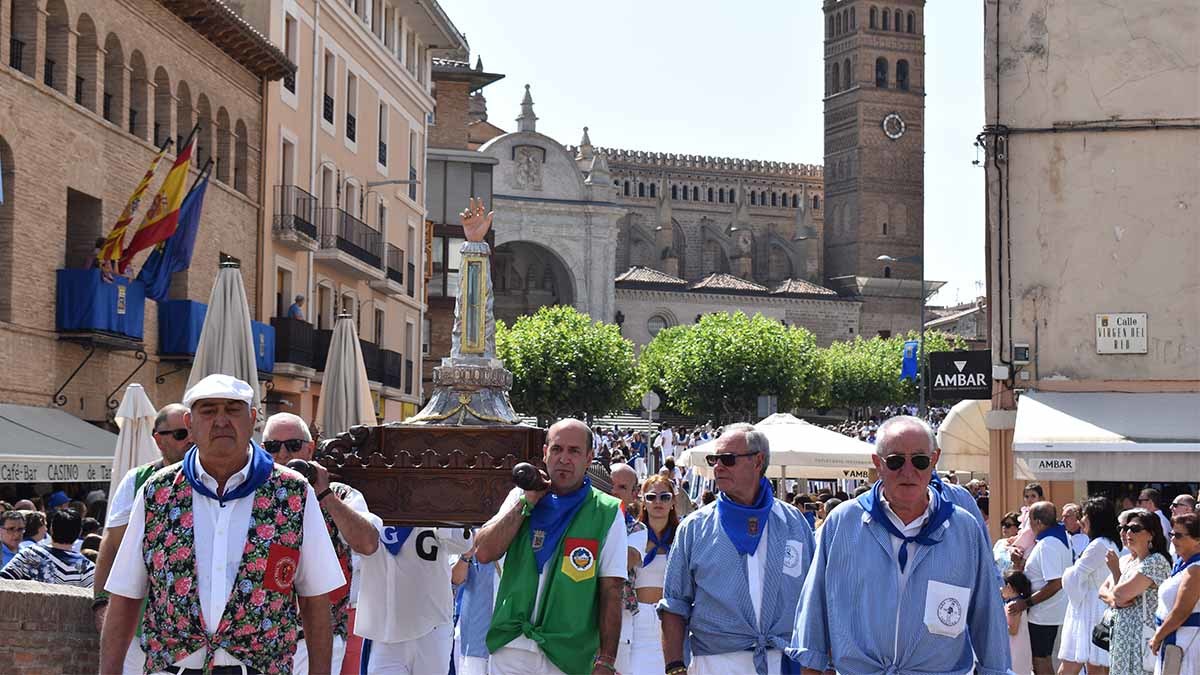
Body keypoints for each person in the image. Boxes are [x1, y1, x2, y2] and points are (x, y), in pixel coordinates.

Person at [99, 374, 345, 675]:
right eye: (209, 410)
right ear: (190, 423)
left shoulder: (293, 493)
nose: (221, 420)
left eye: (232, 409)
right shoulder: (157, 492)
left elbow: (315, 601)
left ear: (252, 418)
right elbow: (126, 596)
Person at [791, 415, 1010, 675]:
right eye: (895, 461)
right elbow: (814, 610)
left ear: (934, 460)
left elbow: (988, 616)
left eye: (919, 460)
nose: (908, 471)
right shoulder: (843, 522)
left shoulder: (965, 530)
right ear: (878, 464)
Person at [473, 418, 626, 675]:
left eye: (574, 451)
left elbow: (612, 590)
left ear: (589, 459)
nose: (564, 458)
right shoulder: (520, 497)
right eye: (557, 449)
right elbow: (484, 552)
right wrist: (527, 501)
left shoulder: (608, 511)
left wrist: (607, 660)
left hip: (569, 655)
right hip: (512, 645)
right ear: (545, 454)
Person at [660, 423, 815, 675]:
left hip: (784, 662)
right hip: (716, 662)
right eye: (714, 459)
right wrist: (675, 668)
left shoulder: (794, 523)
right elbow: (674, 604)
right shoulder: (694, 527)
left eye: (728, 459)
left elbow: (814, 599)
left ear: (757, 461)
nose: (718, 467)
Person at [263, 412, 381, 675]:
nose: (282, 454)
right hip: (262, 638)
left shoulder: (339, 494)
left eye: (293, 445)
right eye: (273, 447)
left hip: (316, 636)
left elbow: (368, 544)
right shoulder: (253, 493)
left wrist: (324, 493)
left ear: (310, 448)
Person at [93, 402, 194, 658]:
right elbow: (113, 545)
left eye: (193, 431)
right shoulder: (138, 481)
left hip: (197, 628)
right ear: (159, 441)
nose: (190, 439)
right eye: (181, 434)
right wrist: (100, 602)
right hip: (140, 622)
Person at [1100, 509, 1172, 675]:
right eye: (1125, 529)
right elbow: (1103, 590)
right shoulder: (1133, 560)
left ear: (1151, 535)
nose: (1127, 532)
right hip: (1124, 640)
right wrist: (1114, 600)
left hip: (1141, 642)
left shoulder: (1156, 561)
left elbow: (1120, 594)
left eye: (1135, 529)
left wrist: (1115, 573)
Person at [1059, 496, 1121, 675]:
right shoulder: (1106, 542)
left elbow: (1074, 577)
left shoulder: (1098, 544)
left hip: (1091, 609)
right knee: (1095, 665)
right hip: (1096, 606)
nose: (1081, 520)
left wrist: (1067, 572)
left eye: (1084, 515)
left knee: (1075, 666)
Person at [1008, 501, 1073, 675]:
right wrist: (1018, 563)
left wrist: (1026, 603)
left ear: (1037, 522)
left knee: (1040, 659)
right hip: (1051, 612)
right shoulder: (1060, 536)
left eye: (1029, 520)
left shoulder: (1048, 544)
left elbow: (1055, 583)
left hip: (1045, 614)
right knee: (1041, 658)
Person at [633, 474, 676, 674]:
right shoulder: (632, 534)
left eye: (664, 497)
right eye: (651, 497)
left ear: (673, 502)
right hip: (636, 619)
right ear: (643, 501)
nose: (658, 502)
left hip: (672, 620)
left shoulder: (682, 537)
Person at [608, 463, 648, 675]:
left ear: (634, 494)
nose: (613, 492)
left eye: (621, 487)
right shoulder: (581, 521)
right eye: (609, 485)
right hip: (580, 614)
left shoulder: (638, 530)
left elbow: (624, 561)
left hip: (618, 617)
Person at [1150, 513, 1200, 674]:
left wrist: (1157, 637)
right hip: (1175, 639)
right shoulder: (1183, 564)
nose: (1172, 539)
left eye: (1178, 535)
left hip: (1188, 642)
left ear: (1198, 539)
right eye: (1172, 534)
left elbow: (1181, 612)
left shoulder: (1196, 569)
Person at [0, 507, 94, 587]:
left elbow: (3, 582)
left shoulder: (29, 555)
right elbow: (100, 596)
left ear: (51, 529)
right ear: (79, 532)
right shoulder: (87, 567)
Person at [1002, 570, 1034, 675]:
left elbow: (1013, 630)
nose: (1000, 589)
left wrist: (997, 626)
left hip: (1014, 649)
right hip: (1019, 647)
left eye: (1002, 586)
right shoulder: (1019, 603)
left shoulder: (1013, 606)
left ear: (1009, 587)